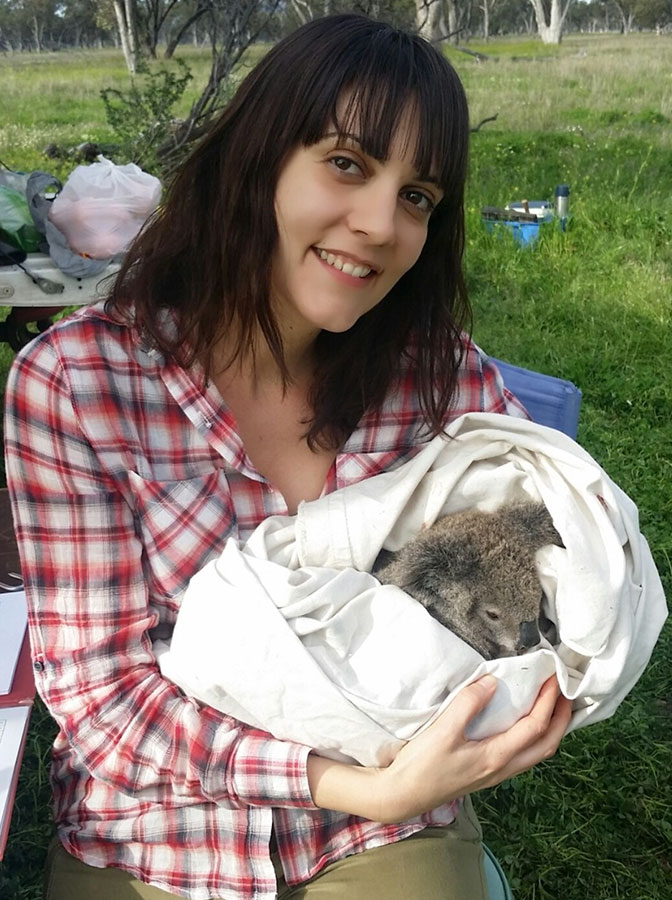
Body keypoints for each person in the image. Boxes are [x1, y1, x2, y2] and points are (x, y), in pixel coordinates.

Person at [4, 14, 572, 900]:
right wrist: (352, 781)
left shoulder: (440, 377)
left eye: (418, 196)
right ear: (259, 158)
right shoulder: (78, 382)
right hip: (157, 826)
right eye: (347, 164)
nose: (382, 224)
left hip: (385, 824)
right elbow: (101, 697)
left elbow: (552, 582)